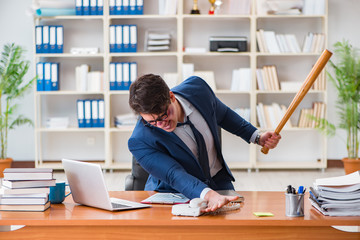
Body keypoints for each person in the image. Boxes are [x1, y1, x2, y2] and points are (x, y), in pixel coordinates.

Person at [128, 74, 281, 212]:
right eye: (152, 122)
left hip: (218, 180)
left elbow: (224, 114)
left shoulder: (198, 90)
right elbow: (174, 174)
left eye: (164, 115)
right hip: (174, 194)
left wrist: (256, 136)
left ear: (171, 97)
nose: (161, 124)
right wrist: (208, 194)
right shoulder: (140, 140)